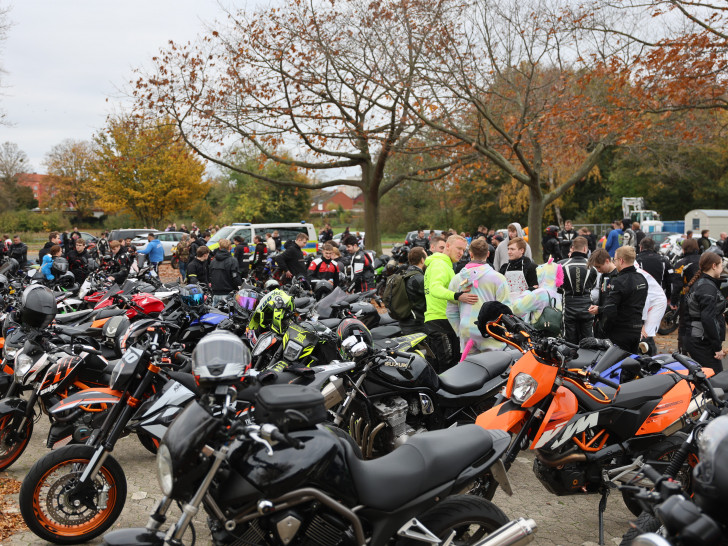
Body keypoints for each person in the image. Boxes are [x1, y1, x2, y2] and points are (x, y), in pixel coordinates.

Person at [447, 237, 510, 356]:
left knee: (471, 369)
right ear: (488, 254)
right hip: (489, 332)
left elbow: (451, 310)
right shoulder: (498, 278)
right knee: (494, 369)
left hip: (466, 330)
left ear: (470, 253)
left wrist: (460, 330)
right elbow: (506, 309)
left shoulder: (457, 279)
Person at [424, 235, 478, 371]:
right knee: (447, 368)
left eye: (464, 250)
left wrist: (459, 290)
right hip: (439, 321)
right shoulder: (440, 264)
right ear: (447, 246)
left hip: (443, 320)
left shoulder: (445, 265)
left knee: (443, 366)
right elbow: (435, 288)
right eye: (458, 248)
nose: (461, 253)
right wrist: (458, 295)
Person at [588, 246, 647, 353]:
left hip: (620, 332)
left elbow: (610, 311)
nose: (614, 263)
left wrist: (604, 329)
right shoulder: (641, 279)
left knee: (615, 366)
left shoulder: (619, 281)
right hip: (636, 330)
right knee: (631, 364)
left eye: (614, 260)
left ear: (621, 260)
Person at [682, 251, 726, 372]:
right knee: (715, 379)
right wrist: (717, 347)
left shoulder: (705, 284)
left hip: (700, 339)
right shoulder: (706, 287)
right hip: (700, 341)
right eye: (721, 265)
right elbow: (708, 318)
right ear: (714, 266)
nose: (722, 269)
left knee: (704, 379)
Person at [559, 236, 598, 343]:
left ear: (572, 248)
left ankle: (570, 359)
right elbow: (593, 286)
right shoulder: (593, 267)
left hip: (568, 307)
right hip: (587, 307)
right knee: (589, 342)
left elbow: (559, 286)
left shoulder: (561, 265)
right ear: (585, 249)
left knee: (569, 343)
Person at [672, 237, 701, 350]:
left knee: (684, 325)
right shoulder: (705, 260)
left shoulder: (681, 263)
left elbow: (677, 285)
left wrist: (673, 301)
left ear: (683, 249)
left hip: (688, 297)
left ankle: (682, 350)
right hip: (706, 296)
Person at [635, 261, 668, 356]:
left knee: (646, 334)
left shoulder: (636, 274)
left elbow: (645, 300)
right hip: (649, 300)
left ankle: (652, 360)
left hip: (656, 302)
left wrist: (641, 324)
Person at [589, 250, 620, 337]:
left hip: (613, 323)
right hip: (603, 319)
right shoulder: (604, 275)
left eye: (599, 267)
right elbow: (602, 296)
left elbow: (615, 303)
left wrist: (600, 309)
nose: (598, 270)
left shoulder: (617, 276)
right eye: (596, 268)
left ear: (607, 261)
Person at [399, 246, 427, 335]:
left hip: (405, 319)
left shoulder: (406, 273)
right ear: (422, 260)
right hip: (416, 323)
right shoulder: (419, 278)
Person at [209, 239, 240, 305]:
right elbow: (235, 277)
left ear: (219, 248)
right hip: (228, 294)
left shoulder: (213, 261)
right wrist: (238, 288)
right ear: (230, 247)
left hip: (215, 293)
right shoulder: (232, 261)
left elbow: (210, 276)